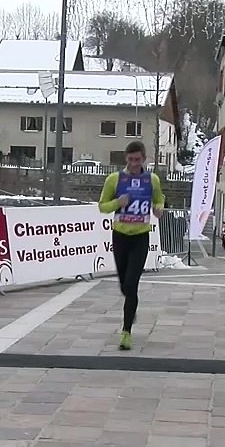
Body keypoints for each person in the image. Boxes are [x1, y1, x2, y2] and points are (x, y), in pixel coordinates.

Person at [98, 140, 165, 350]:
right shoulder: (115, 179)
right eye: (131, 159)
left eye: (138, 159)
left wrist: (158, 208)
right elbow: (102, 206)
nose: (134, 163)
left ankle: (126, 332)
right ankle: (131, 306)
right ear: (126, 159)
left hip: (141, 237)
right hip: (120, 236)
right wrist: (118, 203)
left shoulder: (152, 179)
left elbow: (159, 198)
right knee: (124, 285)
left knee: (132, 284)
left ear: (144, 159)